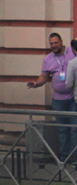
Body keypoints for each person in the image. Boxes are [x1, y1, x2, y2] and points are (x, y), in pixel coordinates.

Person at [28, 32, 77, 163]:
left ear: (61, 42)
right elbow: (44, 76)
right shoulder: (48, 59)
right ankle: (63, 158)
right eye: (51, 44)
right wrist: (37, 83)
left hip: (74, 98)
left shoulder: (72, 52)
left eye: (56, 42)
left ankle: (75, 158)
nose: (53, 45)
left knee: (74, 128)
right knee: (62, 129)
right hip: (58, 100)